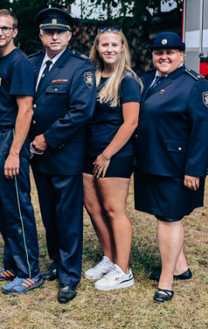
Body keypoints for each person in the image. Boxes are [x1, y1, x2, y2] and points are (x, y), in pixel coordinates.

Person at [134, 32, 208, 303]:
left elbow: (204, 130)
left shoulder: (196, 84)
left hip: (176, 166)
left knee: (170, 219)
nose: (164, 57)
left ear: (181, 55)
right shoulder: (145, 80)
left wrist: (195, 169)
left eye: (170, 52)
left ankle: (166, 280)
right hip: (150, 161)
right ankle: (180, 267)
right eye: (158, 52)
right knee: (163, 216)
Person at [29, 8, 96, 303]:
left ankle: (70, 276)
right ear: (41, 35)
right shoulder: (31, 63)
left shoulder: (80, 67)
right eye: (49, 32)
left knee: (68, 217)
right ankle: (57, 262)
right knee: (49, 214)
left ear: (69, 35)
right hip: (37, 154)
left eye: (60, 32)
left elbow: (82, 111)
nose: (54, 36)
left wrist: (47, 138)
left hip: (64, 152)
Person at [0, 9, 42, 295]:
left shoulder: (19, 63)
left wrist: (15, 152)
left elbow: (25, 110)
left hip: (9, 139)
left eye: (6, 28)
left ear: (15, 32)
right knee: (1, 206)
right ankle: (12, 264)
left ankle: (30, 272)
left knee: (17, 208)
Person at [83, 27, 142, 291]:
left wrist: (107, 155)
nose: (109, 49)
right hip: (88, 152)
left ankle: (123, 270)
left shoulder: (127, 80)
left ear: (122, 48)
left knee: (113, 210)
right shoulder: (92, 76)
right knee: (93, 207)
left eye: (114, 45)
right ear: (97, 47)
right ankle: (109, 258)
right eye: (104, 44)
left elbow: (131, 123)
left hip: (114, 154)